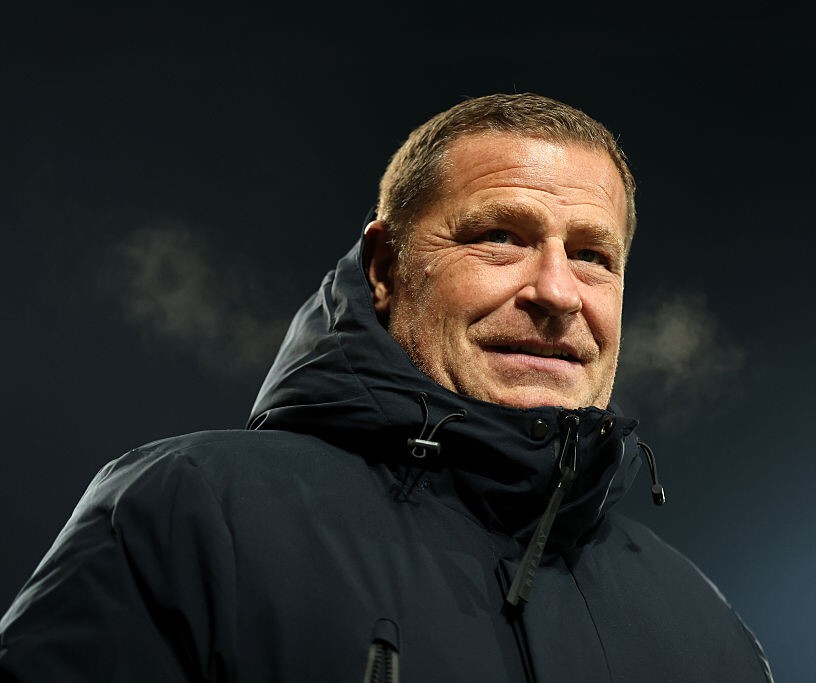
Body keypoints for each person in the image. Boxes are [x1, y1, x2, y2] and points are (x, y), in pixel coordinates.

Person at [0, 93, 772, 682]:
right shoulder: (190, 514)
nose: (557, 291)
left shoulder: (706, 628)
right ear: (384, 268)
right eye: (499, 237)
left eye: (593, 255)